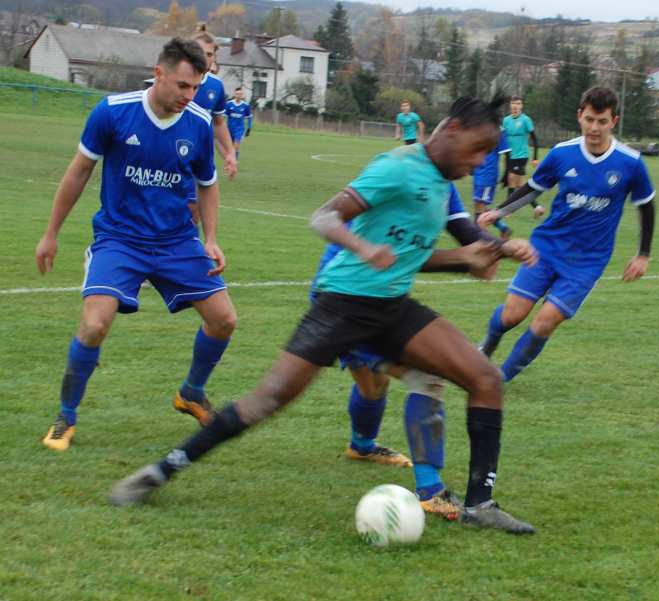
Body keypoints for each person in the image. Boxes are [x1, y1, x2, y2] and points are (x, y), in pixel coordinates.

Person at [110, 96, 536, 535]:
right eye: (477, 149)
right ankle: (161, 470)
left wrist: (491, 252)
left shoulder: (442, 183)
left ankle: (479, 504)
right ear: (450, 130)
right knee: (266, 401)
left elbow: (421, 256)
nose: (481, 161)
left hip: (392, 307)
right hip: (343, 304)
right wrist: (362, 247)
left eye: (488, 153)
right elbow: (326, 216)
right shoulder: (396, 166)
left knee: (483, 378)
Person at [35, 38, 237, 451]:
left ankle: (191, 392)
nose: (189, 96)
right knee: (94, 325)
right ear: (159, 73)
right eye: (182, 85)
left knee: (224, 319)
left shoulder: (197, 123)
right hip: (120, 240)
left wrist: (211, 238)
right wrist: (51, 232)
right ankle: (65, 418)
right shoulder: (113, 112)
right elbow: (77, 174)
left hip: (177, 241)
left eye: (196, 88)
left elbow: (208, 186)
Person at [328, 183, 536, 521]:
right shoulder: (402, 174)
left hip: (378, 300)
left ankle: (362, 446)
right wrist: (475, 259)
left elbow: (465, 231)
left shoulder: (444, 185)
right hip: (348, 297)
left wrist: (501, 248)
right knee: (421, 376)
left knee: (373, 383)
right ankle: (429, 491)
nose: (474, 164)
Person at [478, 86, 656, 382]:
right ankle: (488, 345)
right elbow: (534, 187)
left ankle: (499, 379)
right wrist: (500, 211)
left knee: (544, 322)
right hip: (546, 248)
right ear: (579, 117)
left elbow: (646, 206)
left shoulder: (631, 162)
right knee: (512, 314)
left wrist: (643, 254)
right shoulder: (562, 153)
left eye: (601, 121)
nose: (594, 128)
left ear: (614, 121)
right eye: (589, 120)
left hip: (587, 261)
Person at [192, 31, 237, 180]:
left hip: (201, 158)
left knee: (203, 202)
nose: (204, 58)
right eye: (200, 52)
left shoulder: (216, 85)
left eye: (209, 54)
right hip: (170, 155)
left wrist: (230, 153)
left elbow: (218, 122)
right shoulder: (174, 81)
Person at [501, 96, 543, 219]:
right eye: (513, 104)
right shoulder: (506, 120)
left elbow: (534, 139)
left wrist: (535, 158)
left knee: (511, 180)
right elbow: (503, 139)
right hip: (509, 156)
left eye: (518, 104)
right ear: (510, 106)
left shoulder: (526, 120)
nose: (515, 106)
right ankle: (537, 207)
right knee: (520, 185)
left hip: (521, 156)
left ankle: (507, 209)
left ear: (521, 106)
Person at [472, 128, 513, 239]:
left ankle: (480, 241)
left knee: (479, 210)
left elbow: (507, 153)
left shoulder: (499, 130)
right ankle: (503, 228)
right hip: (478, 173)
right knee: (479, 207)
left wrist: (506, 174)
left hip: (488, 174)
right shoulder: (477, 125)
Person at [226, 87, 252, 162]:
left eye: (240, 94)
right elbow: (223, 117)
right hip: (229, 129)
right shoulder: (229, 104)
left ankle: (235, 162)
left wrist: (249, 128)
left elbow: (249, 117)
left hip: (239, 129)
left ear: (242, 95)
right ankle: (229, 161)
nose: (239, 95)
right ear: (234, 94)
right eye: (237, 94)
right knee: (229, 147)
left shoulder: (245, 106)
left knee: (236, 145)